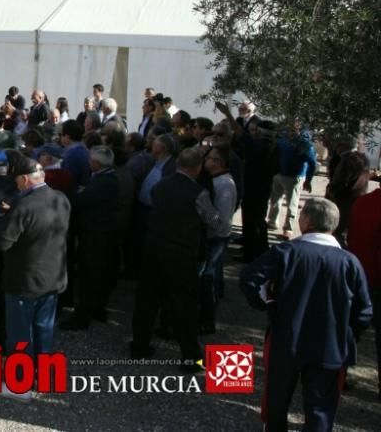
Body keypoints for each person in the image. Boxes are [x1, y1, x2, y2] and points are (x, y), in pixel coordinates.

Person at [241, 198, 373, 430]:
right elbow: (363, 311)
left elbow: (250, 279)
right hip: (330, 345)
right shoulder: (349, 262)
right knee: (320, 408)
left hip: (286, 339)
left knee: (277, 400)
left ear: (308, 222)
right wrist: (347, 334)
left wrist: (268, 304)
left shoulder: (286, 252)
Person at [130, 147, 219, 368]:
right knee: (184, 304)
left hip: (153, 249)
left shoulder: (161, 186)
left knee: (147, 300)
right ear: (198, 168)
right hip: (181, 253)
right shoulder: (198, 193)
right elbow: (214, 222)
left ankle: (139, 345)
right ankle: (189, 355)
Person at [0, 156, 70, 398]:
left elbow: (3, 242)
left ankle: (20, 378)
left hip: (24, 279)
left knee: (20, 333)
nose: (16, 185)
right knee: (44, 329)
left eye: (17, 180)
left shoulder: (22, 207)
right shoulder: (61, 199)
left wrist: (1, 218)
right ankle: (44, 377)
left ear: (25, 179)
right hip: (52, 276)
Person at [61, 146, 122, 331]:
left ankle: (82, 316)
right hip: (102, 233)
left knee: (90, 276)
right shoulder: (107, 178)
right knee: (99, 275)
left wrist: (68, 196)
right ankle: (97, 308)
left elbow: (81, 202)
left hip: (96, 235)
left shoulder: (102, 182)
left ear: (96, 163)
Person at [347, 186, 381, 398]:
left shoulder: (363, 202)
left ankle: (336, 373)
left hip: (359, 274)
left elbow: (352, 235)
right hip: (375, 277)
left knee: (351, 328)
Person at [199, 145, 236, 335]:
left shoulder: (224, 185)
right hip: (213, 237)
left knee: (207, 278)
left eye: (210, 158)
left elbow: (220, 221)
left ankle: (206, 320)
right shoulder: (217, 181)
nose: (206, 161)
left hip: (215, 239)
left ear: (218, 163)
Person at [267, 124, 317, 239]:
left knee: (292, 204)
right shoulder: (282, 138)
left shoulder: (304, 143)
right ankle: (272, 222)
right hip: (279, 174)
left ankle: (288, 229)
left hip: (295, 177)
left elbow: (312, 163)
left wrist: (308, 180)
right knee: (275, 200)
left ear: (298, 129)